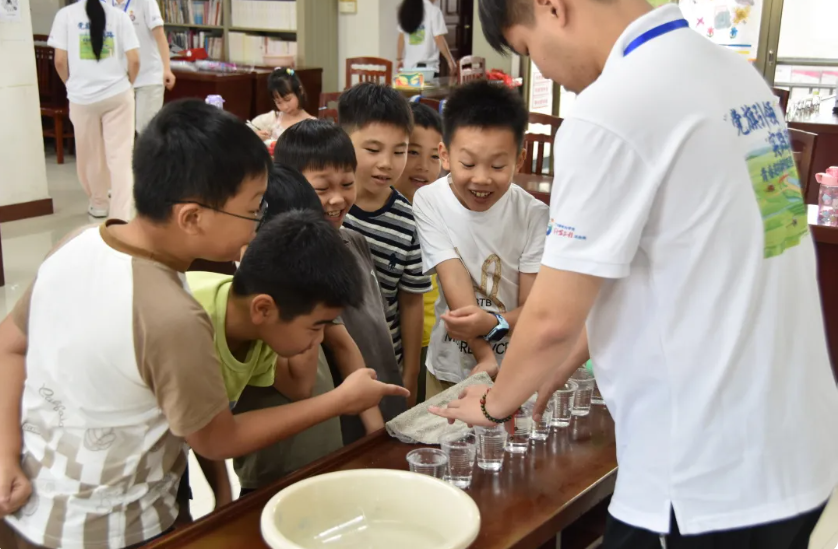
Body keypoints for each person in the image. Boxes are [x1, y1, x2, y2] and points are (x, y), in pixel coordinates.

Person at [432, 1, 838, 548]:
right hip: (796, 447)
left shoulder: (611, 110)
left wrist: (494, 404)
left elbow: (551, 317)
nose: (542, 69)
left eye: (528, 48)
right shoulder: (737, 76)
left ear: (551, 7)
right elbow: (711, 256)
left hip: (702, 479)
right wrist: (562, 362)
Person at [0, 100, 407, 549]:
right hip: (112, 528)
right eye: (252, 211)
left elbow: (9, 346)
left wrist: (5, 453)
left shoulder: (76, 242)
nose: (256, 228)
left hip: (31, 508)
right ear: (192, 217)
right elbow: (217, 438)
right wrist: (339, 401)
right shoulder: (173, 315)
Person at [276, 119, 410, 442]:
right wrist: (375, 429)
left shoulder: (355, 241)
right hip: (352, 415)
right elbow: (342, 346)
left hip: (382, 395)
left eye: (347, 184)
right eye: (322, 189)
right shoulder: (302, 258)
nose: (337, 199)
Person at [413, 80, 549, 398]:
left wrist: (492, 324)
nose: (482, 178)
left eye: (498, 165)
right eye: (468, 164)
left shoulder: (533, 215)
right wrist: (484, 355)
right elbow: (454, 282)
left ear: (518, 160)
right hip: (448, 369)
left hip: (516, 371)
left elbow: (533, 308)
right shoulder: (430, 200)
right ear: (445, 155)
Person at [339, 83, 433, 407]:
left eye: (399, 151)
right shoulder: (329, 207)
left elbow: (411, 302)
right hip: (330, 362)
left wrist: (410, 373)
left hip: (383, 361)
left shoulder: (408, 221)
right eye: (373, 149)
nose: (387, 163)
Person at [48, 0, 140, 220]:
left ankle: (99, 204)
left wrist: (71, 84)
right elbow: (135, 60)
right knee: (120, 157)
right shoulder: (120, 17)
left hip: (82, 98)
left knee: (90, 155)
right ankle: (121, 215)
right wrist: (128, 83)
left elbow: (60, 61)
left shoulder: (65, 15)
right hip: (118, 95)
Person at [395, 101, 444, 402]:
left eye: (434, 156)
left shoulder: (443, 209)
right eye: (413, 152)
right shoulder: (386, 213)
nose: (423, 166)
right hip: (390, 339)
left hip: (432, 338)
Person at [111, 0, 177, 133]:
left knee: (145, 130)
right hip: (120, 79)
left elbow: (160, 36)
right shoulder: (105, 3)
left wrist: (167, 69)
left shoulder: (146, 2)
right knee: (121, 131)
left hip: (148, 77)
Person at [251, 68, 314, 141]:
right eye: (278, 102)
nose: (284, 107)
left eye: (288, 99)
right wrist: (255, 137)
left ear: (300, 91)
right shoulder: (272, 118)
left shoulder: (312, 125)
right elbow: (248, 130)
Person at [396, 0, 456, 77]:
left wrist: (399, 59)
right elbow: (438, 38)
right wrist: (450, 60)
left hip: (408, 69)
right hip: (427, 70)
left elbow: (401, 37)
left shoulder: (407, 10)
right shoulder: (434, 11)